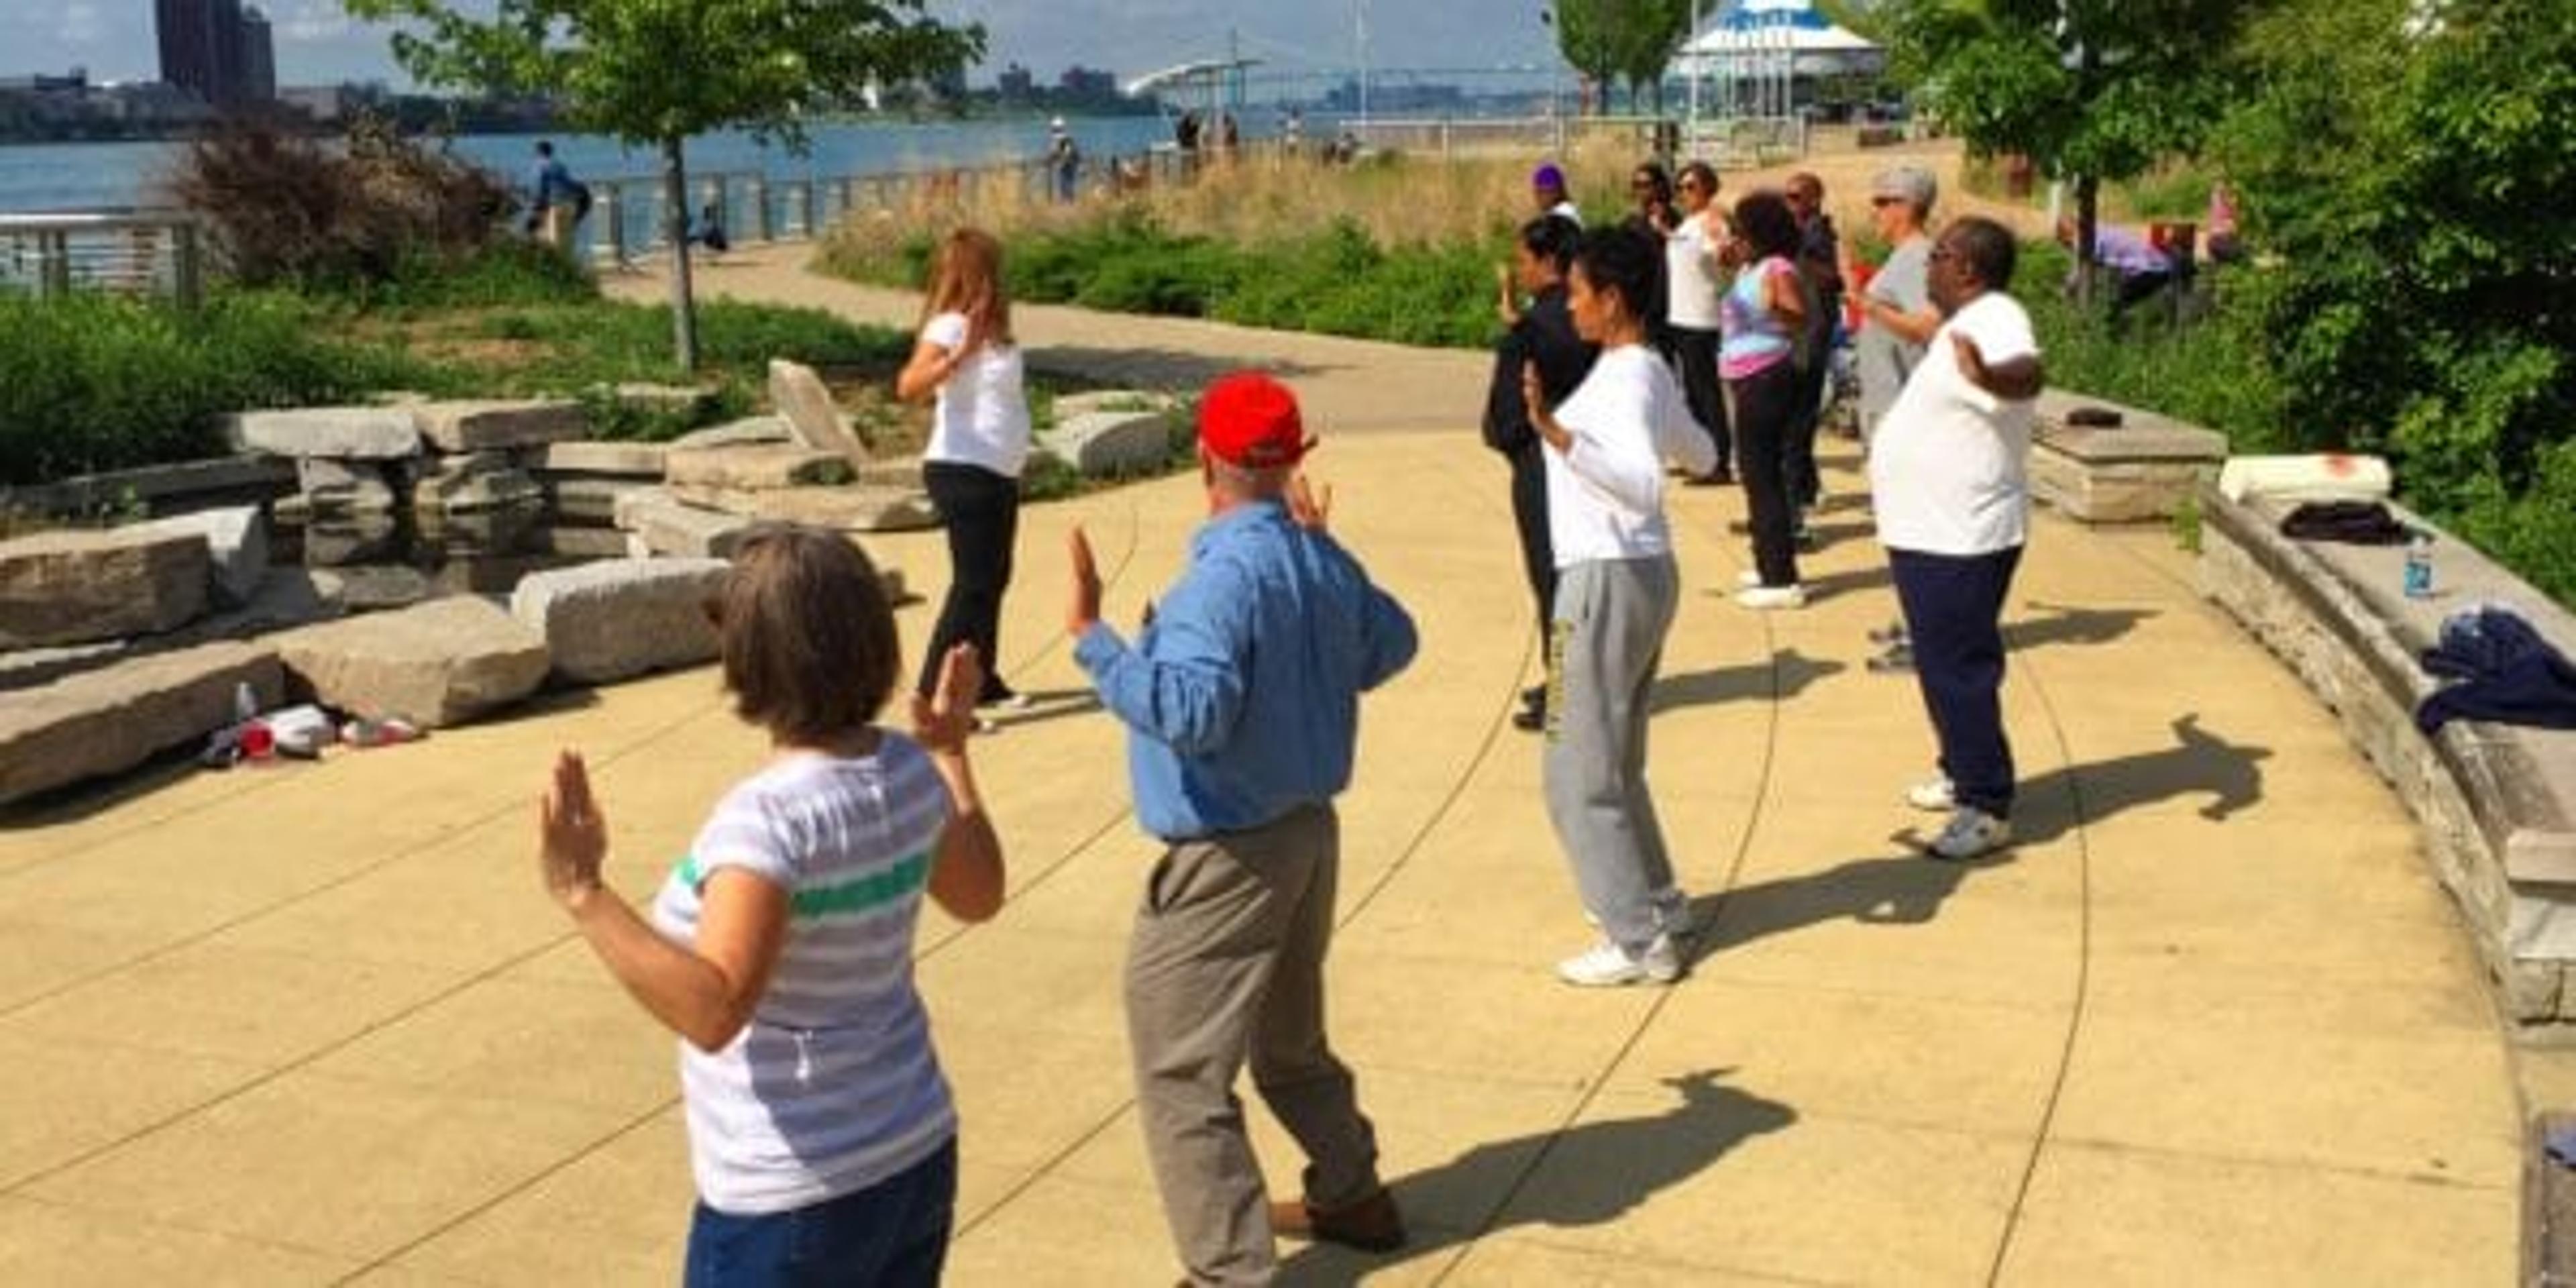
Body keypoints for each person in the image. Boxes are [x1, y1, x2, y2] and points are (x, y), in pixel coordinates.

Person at [533, 527, 1006, 1287]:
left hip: (796, 1198)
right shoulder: (909, 770)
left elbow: (715, 1008)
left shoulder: (768, 822)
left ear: (747, 657)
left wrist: (582, 892)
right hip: (911, 1150)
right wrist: (951, 753)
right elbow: (980, 896)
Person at [1065, 371, 1418, 1285]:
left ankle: (1228, 1271)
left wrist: (1096, 639)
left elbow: (1192, 713)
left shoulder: (1219, 577)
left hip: (1227, 852)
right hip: (1307, 835)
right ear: (1296, 457)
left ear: (1204, 461)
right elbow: (1394, 644)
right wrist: (1331, 558)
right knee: (1288, 1041)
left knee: (1181, 1071)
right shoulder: (1315, 557)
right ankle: (1351, 1192)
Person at [1516, 226, 1717, 987]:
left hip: (1602, 580)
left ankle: (1637, 942)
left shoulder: (1628, 379)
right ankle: (1659, 900)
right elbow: (1701, 453)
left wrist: (1558, 436)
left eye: (1576, 293)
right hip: (1642, 575)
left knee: (1575, 773)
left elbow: (1644, 484)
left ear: (1614, 299)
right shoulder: (1648, 368)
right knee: (1619, 760)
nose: (1568, 306)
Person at [1868, 216, 2047, 861]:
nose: (1928, 265)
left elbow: (2027, 372)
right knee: (1940, 662)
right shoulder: (1963, 324)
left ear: (1968, 268)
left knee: (1958, 667)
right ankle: (1959, 768)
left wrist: (1991, 378)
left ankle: (1986, 803)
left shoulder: (1995, 316)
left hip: (1960, 534)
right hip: (1932, 529)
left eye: (1938, 255)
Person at [896, 228, 1034, 715]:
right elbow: (909, 384)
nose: (1001, 279)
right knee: (972, 583)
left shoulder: (996, 333)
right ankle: (936, 694)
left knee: (994, 578)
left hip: (997, 470)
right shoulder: (950, 327)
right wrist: (960, 356)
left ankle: (982, 679)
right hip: (962, 468)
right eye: (993, 269)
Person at [1485, 215, 1596, 734]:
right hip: (1566, 456)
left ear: (1549, 262)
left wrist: (1506, 436)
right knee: (1561, 574)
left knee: (1551, 576)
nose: (1522, 270)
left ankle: (1566, 692)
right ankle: (1563, 677)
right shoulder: (1577, 315)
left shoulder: (1540, 329)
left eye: (1527, 261)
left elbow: (1512, 405)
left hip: (1539, 458)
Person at [1721, 191, 1810, 608]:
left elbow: (1800, 317)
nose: (1737, 236)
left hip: (1768, 376)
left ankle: (1782, 579)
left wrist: (1778, 309)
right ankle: (1766, 562)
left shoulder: (1778, 268)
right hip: (1747, 378)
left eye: (1742, 230)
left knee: (1763, 475)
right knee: (1754, 475)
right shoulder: (1751, 267)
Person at [1847, 166, 1941, 449]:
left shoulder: (1917, 257)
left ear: (1906, 206)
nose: (1873, 212)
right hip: (1892, 407)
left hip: (1900, 411)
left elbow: (1930, 327)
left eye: (1880, 202)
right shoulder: (1906, 256)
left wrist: (1868, 305)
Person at [1783, 172, 1844, 531]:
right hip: (1800, 331)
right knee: (1798, 418)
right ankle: (1807, 489)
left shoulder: (1818, 234)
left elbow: (1833, 279)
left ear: (1814, 199)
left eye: (1795, 197)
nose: (1789, 203)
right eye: (1786, 197)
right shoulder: (1802, 232)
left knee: (1799, 418)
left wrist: (1799, 254)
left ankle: (1798, 505)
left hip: (1814, 333)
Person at [1666, 160, 1733, 485]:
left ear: (1708, 188)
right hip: (1680, 317)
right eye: (1680, 186)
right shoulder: (1688, 223)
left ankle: (1719, 460)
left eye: (1691, 186)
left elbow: (1721, 252)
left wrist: (1722, 248)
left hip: (1700, 319)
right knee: (1692, 390)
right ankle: (1701, 457)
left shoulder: (1710, 220)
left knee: (1706, 392)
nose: (1683, 193)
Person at [2057, 215, 2174, 320]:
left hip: (2151, 270)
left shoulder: (2085, 241)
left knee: (2110, 311)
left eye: (2067, 245)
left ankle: (2111, 334)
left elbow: (2084, 269)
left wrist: (2067, 290)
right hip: (2159, 263)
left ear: (2068, 237)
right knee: (2114, 301)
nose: (2070, 250)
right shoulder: (2098, 229)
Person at [526, 140, 588, 247]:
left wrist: (535, 208)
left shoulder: (539, 166)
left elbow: (539, 188)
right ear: (551, 151)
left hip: (554, 204)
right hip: (569, 203)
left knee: (553, 238)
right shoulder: (560, 165)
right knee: (566, 237)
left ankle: (555, 261)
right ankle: (568, 261)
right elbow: (569, 183)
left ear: (538, 152)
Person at [1532, 162, 1582, 227]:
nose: (1538, 198)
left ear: (1556, 193)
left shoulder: (1562, 216)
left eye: (1542, 192)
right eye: (1537, 192)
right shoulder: (1563, 211)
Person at [1046, 117, 1081, 204]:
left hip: (1069, 163)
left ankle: (1067, 203)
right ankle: (1068, 202)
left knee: (1066, 183)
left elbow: (1064, 153)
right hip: (1070, 163)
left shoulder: (1064, 140)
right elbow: (1055, 152)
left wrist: (1059, 161)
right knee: (1066, 183)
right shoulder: (1066, 139)